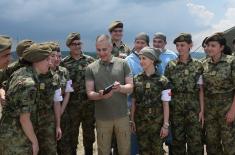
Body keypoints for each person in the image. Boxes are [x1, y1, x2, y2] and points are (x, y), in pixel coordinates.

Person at [0, 43, 62, 155]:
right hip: (17, 139)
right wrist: (35, 142)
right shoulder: (29, 84)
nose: (50, 62)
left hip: (9, 134)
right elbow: (24, 119)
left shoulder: (20, 72)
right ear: (37, 61)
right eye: (47, 59)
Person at [85, 34, 133, 155]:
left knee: (124, 150)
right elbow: (90, 93)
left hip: (122, 116)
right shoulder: (91, 68)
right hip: (102, 118)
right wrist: (100, 95)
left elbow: (130, 87)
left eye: (104, 49)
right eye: (98, 50)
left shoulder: (123, 64)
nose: (101, 53)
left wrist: (119, 88)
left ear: (111, 47)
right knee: (103, 151)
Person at [165, 33, 204, 155]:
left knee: (196, 143)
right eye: (177, 45)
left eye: (182, 45)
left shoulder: (198, 65)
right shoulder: (171, 66)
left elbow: (201, 90)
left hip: (194, 110)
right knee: (177, 143)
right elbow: (167, 91)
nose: (179, 48)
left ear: (190, 45)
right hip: (176, 110)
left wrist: (202, 110)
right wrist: (167, 111)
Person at [130, 47, 170, 154]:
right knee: (143, 151)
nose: (141, 61)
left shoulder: (163, 80)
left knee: (157, 151)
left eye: (144, 58)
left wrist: (165, 125)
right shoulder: (136, 79)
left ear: (152, 60)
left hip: (157, 124)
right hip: (141, 123)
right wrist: (132, 120)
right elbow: (133, 101)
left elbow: (166, 104)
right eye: (140, 58)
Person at [61, 32, 95, 155]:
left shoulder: (90, 61)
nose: (77, 46)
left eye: (79, 43)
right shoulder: (64, 63)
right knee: (72, 137)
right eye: (74, 44)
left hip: (88, 106)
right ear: (69, 46)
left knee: (89, 136)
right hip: (72, 107)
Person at [203, 33, 235, 154]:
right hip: (210, 111)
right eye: (208, 45)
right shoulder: (204, 64)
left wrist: (233, 110)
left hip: (227, 109)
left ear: (221, 47)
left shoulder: (231, 62)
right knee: (212, 143)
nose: (209, 48)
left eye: (213, 45)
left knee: (229, 143)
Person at [125, 32, 149, 155]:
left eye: (142, 43)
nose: (139, 45)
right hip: (132, 106)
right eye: (137, 42)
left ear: (147, 44)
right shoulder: (128, 61)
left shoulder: (152, 59)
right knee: (133, 141)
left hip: (149, 108)